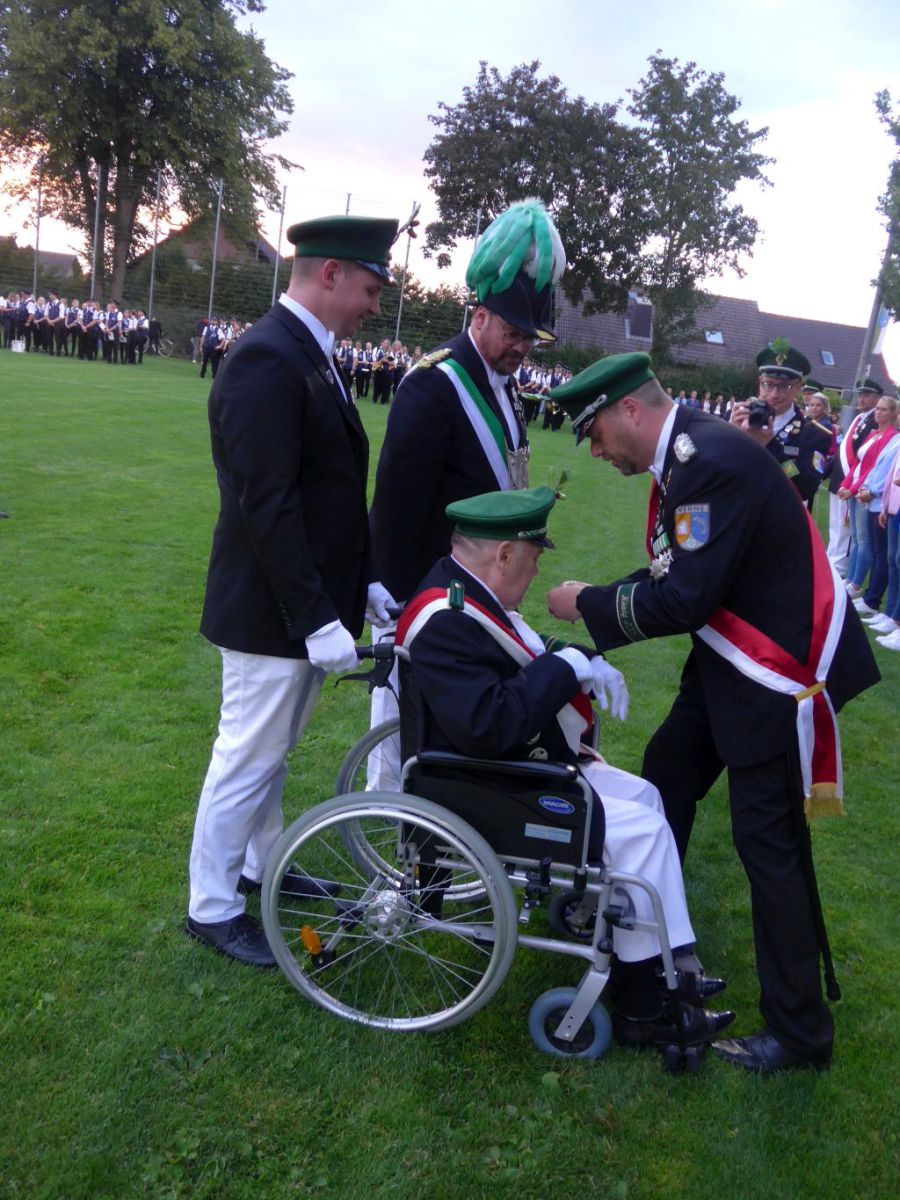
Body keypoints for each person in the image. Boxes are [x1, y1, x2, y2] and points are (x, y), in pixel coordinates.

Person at [547, 352, 880, 1072]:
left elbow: (683, 598)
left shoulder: (706, 463)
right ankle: (646, 942)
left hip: (773, 673)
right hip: (730, 659)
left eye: (596, 434)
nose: (597, 452)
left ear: (629, 410)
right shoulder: (689, 455)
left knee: (769, 847)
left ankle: (799, 1033)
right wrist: (599, 602)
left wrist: (588, 603)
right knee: (667, 769)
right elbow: (678, 572)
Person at [398, 485, 734, 1050]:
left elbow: (519, 652)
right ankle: (642, 1004)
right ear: (504, 554)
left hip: (506, 770)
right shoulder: (446, 619)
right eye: (532, 559)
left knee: (648, 799)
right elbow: (490, 725)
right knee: (645, 832)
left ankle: (667, 960)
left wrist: (583, 660)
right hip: (487, 785)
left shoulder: (464, 591)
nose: (535, 573)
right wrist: (566, 667)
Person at [186, 211, 401, 968]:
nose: (375, 305)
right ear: (330, 273)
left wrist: (363, 584)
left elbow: (332, 493)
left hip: (298, 603)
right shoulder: (267, 357)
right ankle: (212, 908)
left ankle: (260, 866)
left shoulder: (309, 351)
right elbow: (267, 505)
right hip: (269, 610)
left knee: (270, 755)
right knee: (248, 755)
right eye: (370, 288)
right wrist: (314, 617)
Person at [368, 200, 566, 781]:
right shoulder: (433, 385)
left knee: (453, 740)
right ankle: (386, 813)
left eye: (531, 336)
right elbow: (397, 504)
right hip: (427, 595)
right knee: (401, 733)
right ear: (479, 315)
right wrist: (397, 600)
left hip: (479, 588)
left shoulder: (505, 386)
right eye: (513, 332)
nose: (523, 346)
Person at [730, 341, 832, 507]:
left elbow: (807, 487)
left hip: (776, 515)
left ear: (798, 387)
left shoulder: (813, 433)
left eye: (784, 387)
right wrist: (729, 435)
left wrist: (770, 445)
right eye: (768, 384)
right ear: (760, 381)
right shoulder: (737, 417)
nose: (774, 394)